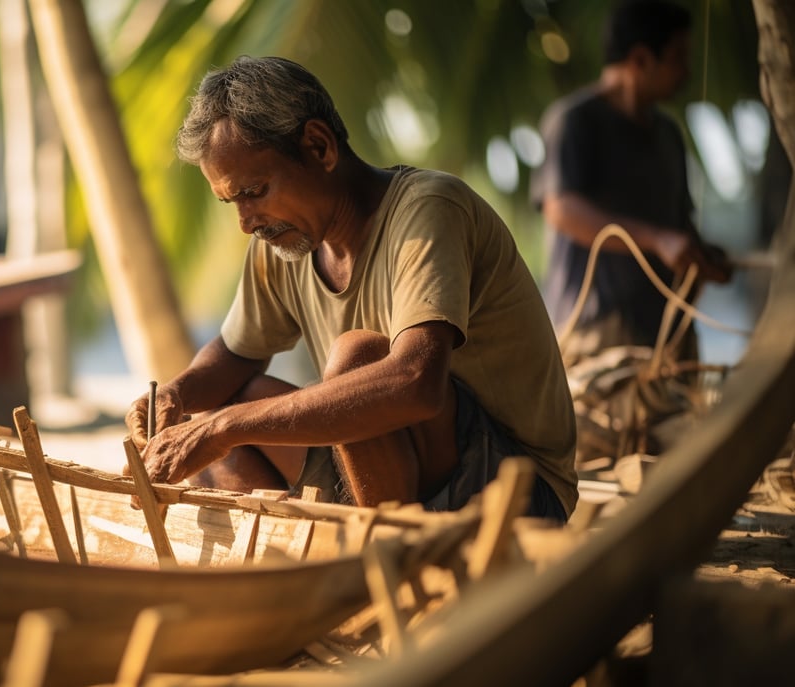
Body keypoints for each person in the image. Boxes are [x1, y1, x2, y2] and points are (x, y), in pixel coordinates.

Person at [125, 56, 577, 521]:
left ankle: (390, 560)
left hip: (516, 489)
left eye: (254, 191)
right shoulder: (284, 242)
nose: (244, 222)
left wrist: (222, 429)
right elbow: (235, 358)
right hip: (385, 479)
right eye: (230, 202)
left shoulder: (429, 209)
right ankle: (304, 572)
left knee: (356, 358)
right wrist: (176, 395)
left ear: (319, 147)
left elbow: (415, 383)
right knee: (229, 402)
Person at [532, 0, 732, 366]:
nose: (686, 71)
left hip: (670, 339)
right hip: (597, 338)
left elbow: (678, 226)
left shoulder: (669, 134)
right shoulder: (574, 122)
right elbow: (561, 209)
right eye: (677, 57)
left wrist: (701, 255)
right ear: (641, 59)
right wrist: (657, 240)